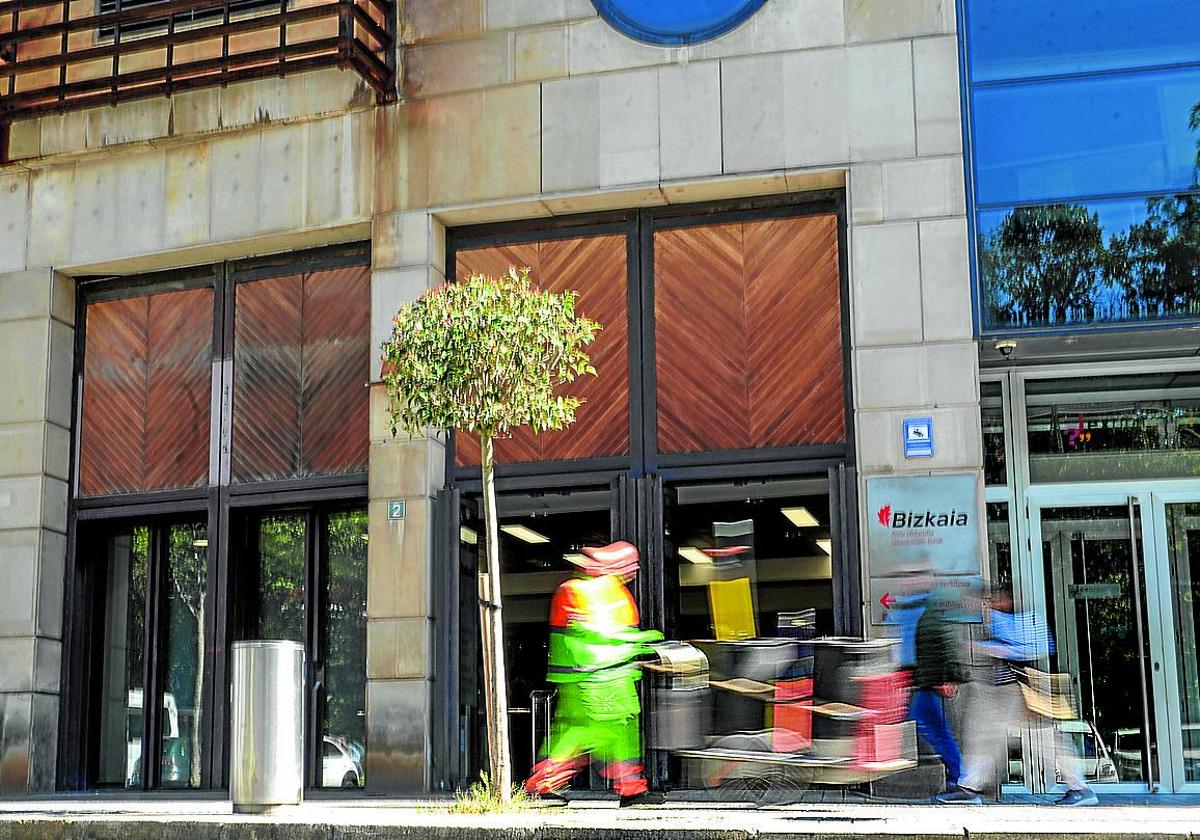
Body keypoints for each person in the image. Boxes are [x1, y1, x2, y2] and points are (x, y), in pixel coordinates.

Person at [524, 540, 664, 805]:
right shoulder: (578, 592)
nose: (634, 569)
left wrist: (636, 649)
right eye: (629, 564)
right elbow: (594, 636)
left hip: (613, 679)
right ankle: (543, 784)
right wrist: (641, 642)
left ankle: (631, 787)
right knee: (583, 731)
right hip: (589, 679)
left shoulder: (615, 593)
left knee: (621, 732)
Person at [944, 583, 1098, 807]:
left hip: (1019, 691)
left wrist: (985, 648)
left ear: (1008, 601)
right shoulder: (1009, 619)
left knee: (1044, 740)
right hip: (1005, 691)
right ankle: (969, 786)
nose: (992, 604)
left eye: (997, 599)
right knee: (984, 737)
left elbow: (1030, 648)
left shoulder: (1020, 620)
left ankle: (1080, 788)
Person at [909, 588, 974, 802]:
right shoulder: (933, 619)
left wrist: (944, 679)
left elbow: (943, 651)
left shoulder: (931, 620)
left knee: (939, 732)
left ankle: (958, 780)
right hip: (928, 683)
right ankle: (956, 778)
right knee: (934, 729)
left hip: (930, 684)